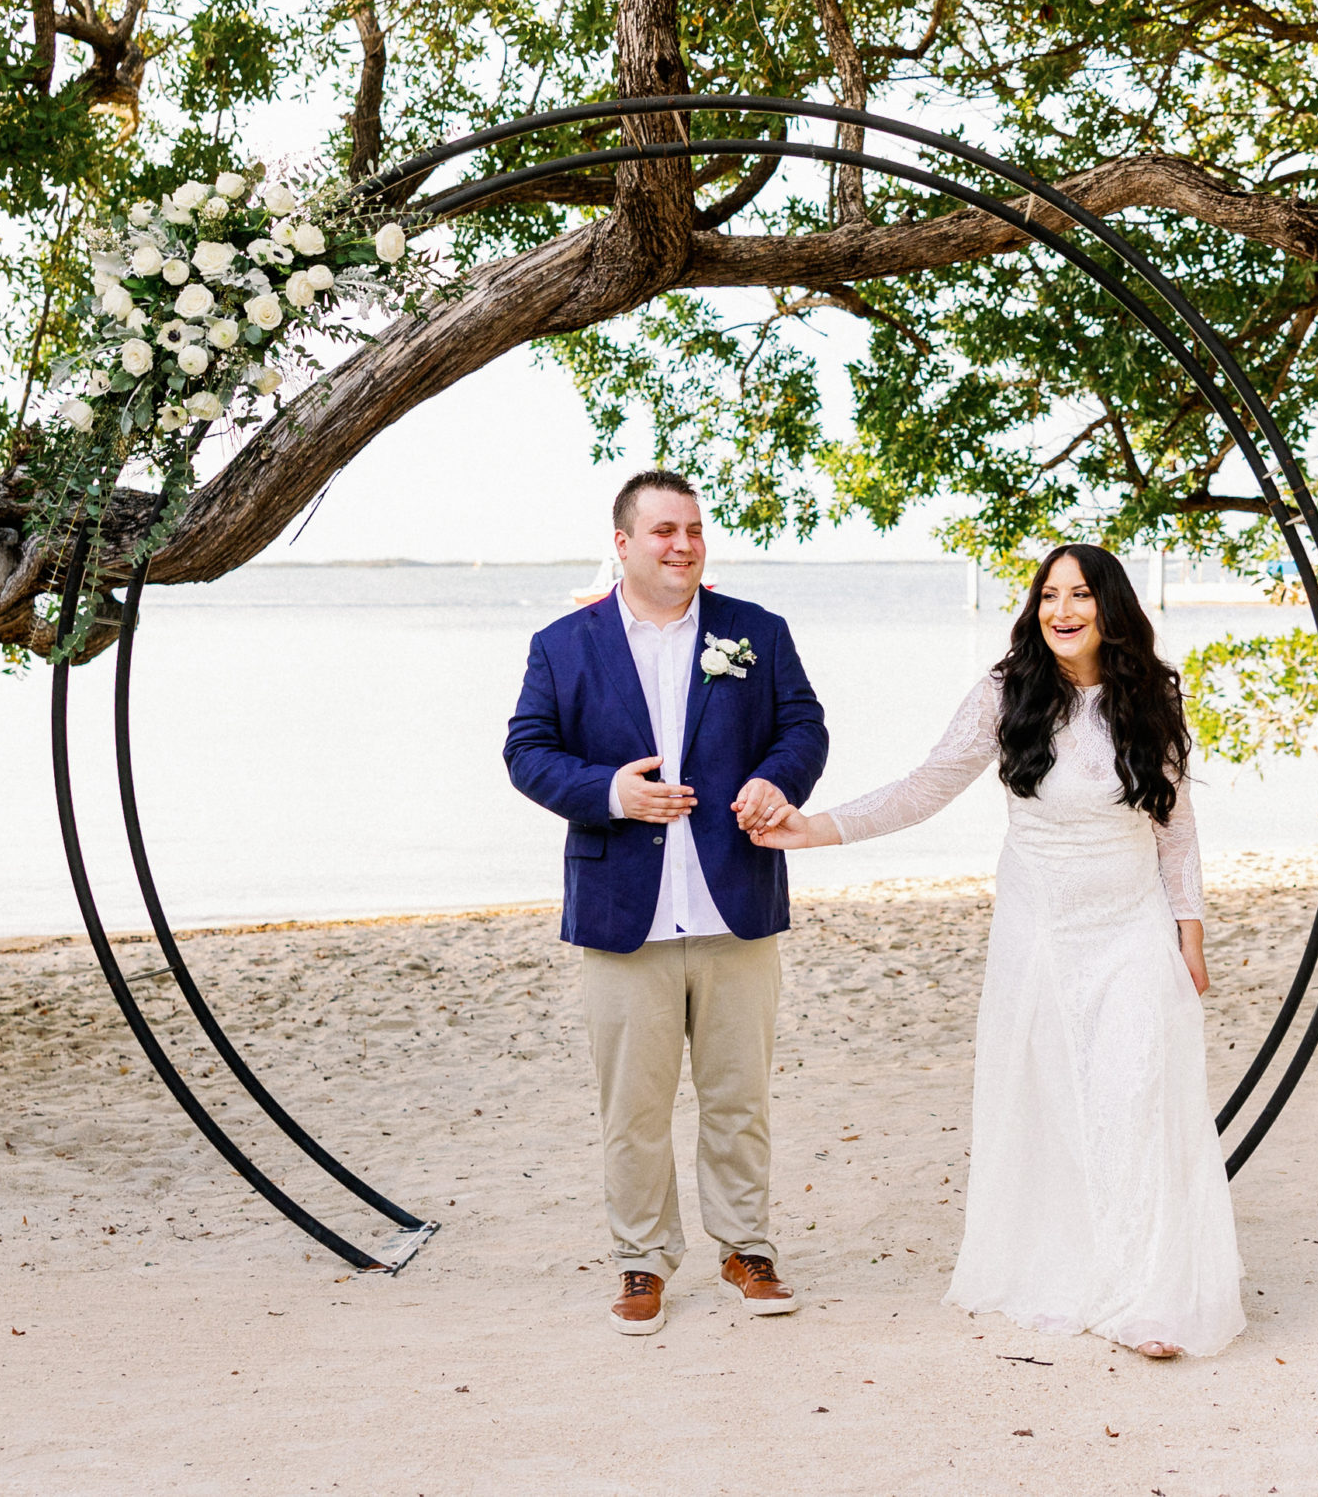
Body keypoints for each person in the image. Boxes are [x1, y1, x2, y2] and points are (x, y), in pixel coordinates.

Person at [750, 543, 1243, 1359]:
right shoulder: (1006, 692)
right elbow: (926, 784)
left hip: (1131, 928)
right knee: (1056, 1102)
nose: (1062, 611)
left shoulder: (1152, 697)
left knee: (1136, 1096)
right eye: (1049, 595)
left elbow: (1177, 828)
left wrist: (1189, 932)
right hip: (1040, 930)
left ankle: (1147, 1293)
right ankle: (1076, 1272)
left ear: (1110, 605)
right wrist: (819, 826)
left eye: (1080, 595)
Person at [504, 470, 830, 1334]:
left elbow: (805, 726)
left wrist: (773, 778)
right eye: (663, 531)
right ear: (623, 543)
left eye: (692, 529)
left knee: (738, 1095)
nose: (682, 544)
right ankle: (641, 1260)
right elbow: (526, 752)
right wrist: (609, 790)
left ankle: (745, 1245)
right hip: (623, 914)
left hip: (735, 904)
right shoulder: (563, 644)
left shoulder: (756, 633)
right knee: (634, 1105)